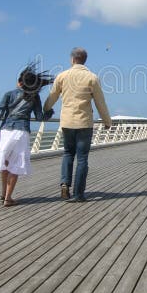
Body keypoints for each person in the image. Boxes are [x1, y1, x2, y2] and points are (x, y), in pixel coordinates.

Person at [0, 63, 53, 207]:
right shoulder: (34, 97)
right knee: (15, 165)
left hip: (6, 131)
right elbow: (39, 117)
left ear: (20, 82)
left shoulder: (9, 94)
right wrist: (49, 113)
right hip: (21, 132)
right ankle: (8, 198)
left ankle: (3, 194)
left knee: (5, 163)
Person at [43, 47, 112, 203]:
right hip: (84, 122)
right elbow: (100, 102)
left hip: (67, 122)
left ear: (72, 59)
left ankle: (65, 184)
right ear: (84, 60)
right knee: (82, 159)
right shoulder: (92, 78)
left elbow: (52, 96)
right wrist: (107, 121)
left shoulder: (62, 76)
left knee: (68, 153)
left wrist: (45, 109)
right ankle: (78, 194)